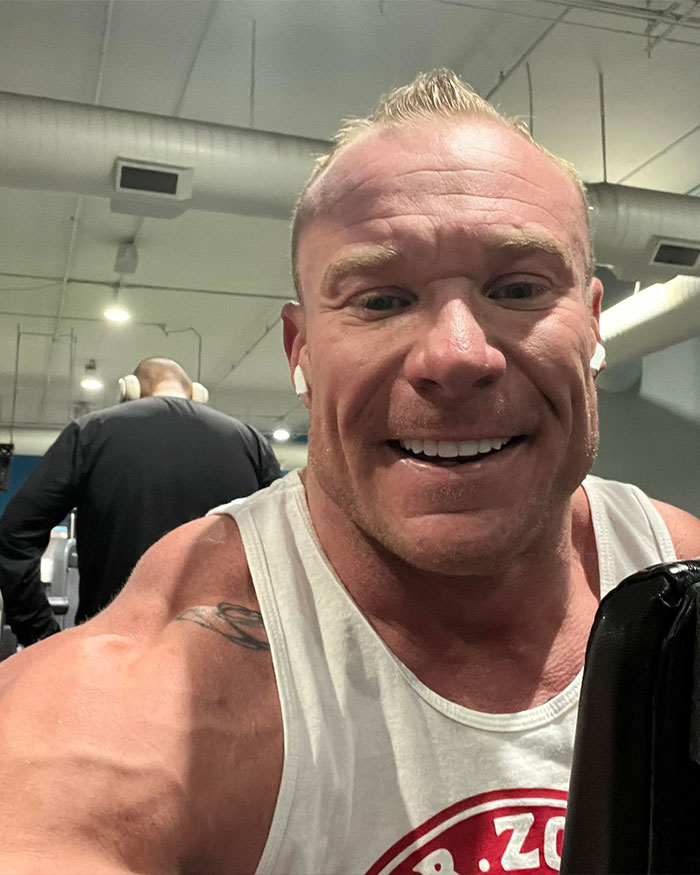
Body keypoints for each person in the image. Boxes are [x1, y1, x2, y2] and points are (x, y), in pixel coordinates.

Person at [0, 69, 699, 874]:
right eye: (380, 300)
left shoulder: (671, 569)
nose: (458, 356)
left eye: (517, 287)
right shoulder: (161, 688)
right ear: (301, 351)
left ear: (593, 324)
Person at [0, 357, 281, 646]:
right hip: (223, 655)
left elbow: (13, 537)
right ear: (196, 393)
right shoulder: (251, 443)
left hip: (113, 653)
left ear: (130, 390)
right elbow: (286, 547)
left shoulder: (91, 433)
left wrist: (42, 637)